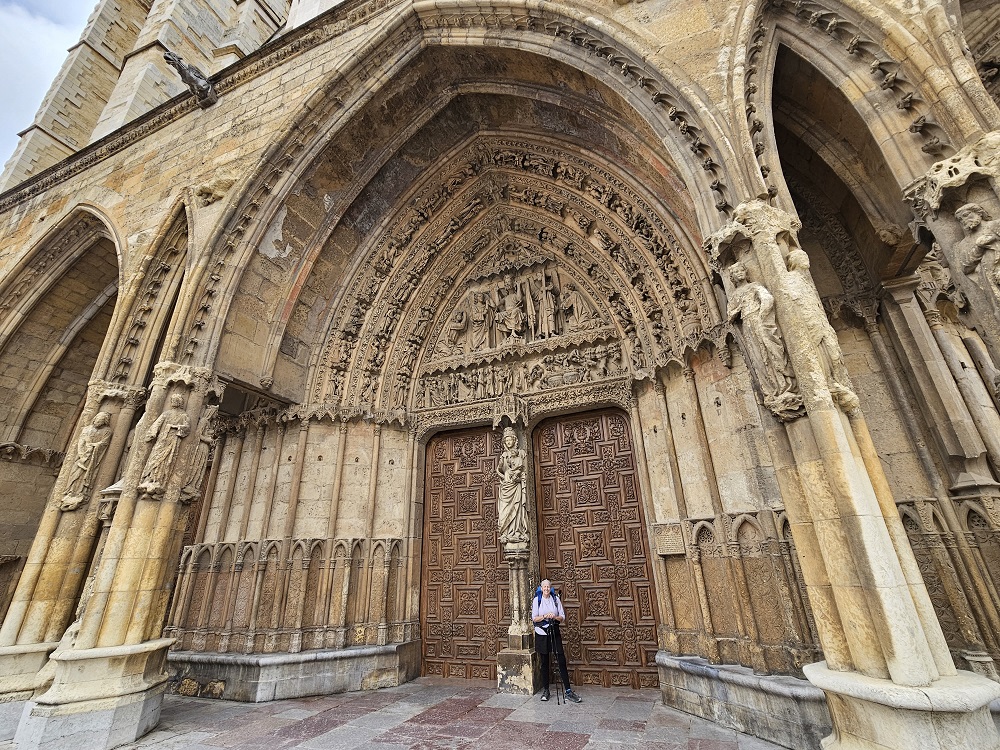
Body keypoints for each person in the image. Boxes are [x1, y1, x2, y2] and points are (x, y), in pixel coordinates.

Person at [532, 579, 582, 703]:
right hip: (541, 633)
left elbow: (562, 617)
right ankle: (546, 690)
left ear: (550, 588)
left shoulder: (555, 599)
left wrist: (554, 617)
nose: (546, 589)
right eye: (544, 587)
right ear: (541, 588)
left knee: (561, 660)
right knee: (544, 662)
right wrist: (545, 616)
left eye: (548, 587)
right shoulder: (537, 600)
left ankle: (568, 691)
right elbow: (534, 618)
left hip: (554, 632)